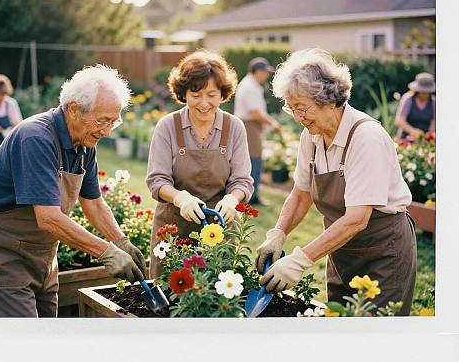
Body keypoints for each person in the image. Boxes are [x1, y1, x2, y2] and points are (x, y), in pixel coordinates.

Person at [0, 65, 147, 317]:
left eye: (114, 121)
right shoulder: (36, 138)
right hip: (5, 251)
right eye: (102, 120)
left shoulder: (85, 143)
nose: (108, 131)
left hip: (44, 255)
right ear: (74, 109)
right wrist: (106, 252)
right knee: (19, 341)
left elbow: (94, 203)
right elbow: (48, 217)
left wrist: (121, 240)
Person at [255, 48, 416, 315]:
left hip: (383, 251)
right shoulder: (313, 136)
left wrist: (299, 261)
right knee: (340, 322)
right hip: (341, 249)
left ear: (330, 101)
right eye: (292, 108)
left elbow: (357, 219)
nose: (297, 117)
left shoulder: (365, 138)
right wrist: (278, 233)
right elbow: (300, 194)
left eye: (302, 108)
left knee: (378, 337)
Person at [146, 50, 254, 278]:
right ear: (183, 94)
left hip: (220, 226)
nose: (204, 103)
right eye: (196, 95)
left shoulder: (234, 127)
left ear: (222, 94)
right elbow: (157, 180)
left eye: (211, 95)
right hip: (174, 230)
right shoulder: (167, 127)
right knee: (169, 294)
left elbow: (242, 180)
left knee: (216, 296)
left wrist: (232, 199)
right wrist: (180, 198)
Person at [234, 57, 281, 205]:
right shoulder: (250, 87)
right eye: (265, 72)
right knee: (254, 160)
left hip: (250, 125)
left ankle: (249, 195)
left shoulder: (251, 84)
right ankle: (251, 197)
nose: (267, 75)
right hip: (249, 126)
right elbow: (256, 114)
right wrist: (274, 124)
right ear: (258, 72)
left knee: (253, 160)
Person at [395, 72, 435, 140]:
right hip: (406, 138)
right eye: (423, 92)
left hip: (425, 139)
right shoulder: (408, 99)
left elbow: (433, 123)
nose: (425, 95)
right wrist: (413, 131)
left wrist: (429, 136)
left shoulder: (434, 102)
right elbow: (399, 121)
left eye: (427, 92)